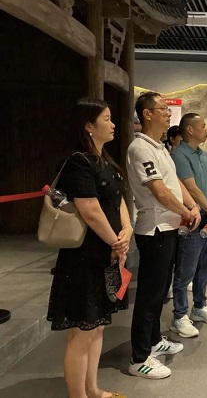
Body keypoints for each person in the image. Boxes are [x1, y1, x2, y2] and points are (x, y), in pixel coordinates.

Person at [47, 98, 130, 398]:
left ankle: (93, 389)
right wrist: (116, 241)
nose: (113, 124)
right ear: (88, 126)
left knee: (97, 327)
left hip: (109, 253)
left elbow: (119, 200)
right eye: (106, 119)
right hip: (84, 257)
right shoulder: (78, 162)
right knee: (81, 332)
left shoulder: (104, 160)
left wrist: (127, 231)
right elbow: (90, 210)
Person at [126, 92, 201, 379]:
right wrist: (186, 211)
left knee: (160, 291)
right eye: (163, 109)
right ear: (147, 114)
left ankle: (154, 340)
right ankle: (139, 358)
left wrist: (192, 206)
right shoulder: (140, 148)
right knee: (149, 294)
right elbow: (159, 191)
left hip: (169, 227)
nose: (169, 113)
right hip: (154, 229)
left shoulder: (160, 146)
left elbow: (175, 183)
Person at [170, 113, 207, 338]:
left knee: (205, 266)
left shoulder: (204, 154)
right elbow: (191, 188)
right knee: (186, 269)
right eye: (203, 126)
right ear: (190, 130)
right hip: (192, 218)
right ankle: (179, 316)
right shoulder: (178, 155)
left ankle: (199, 306)